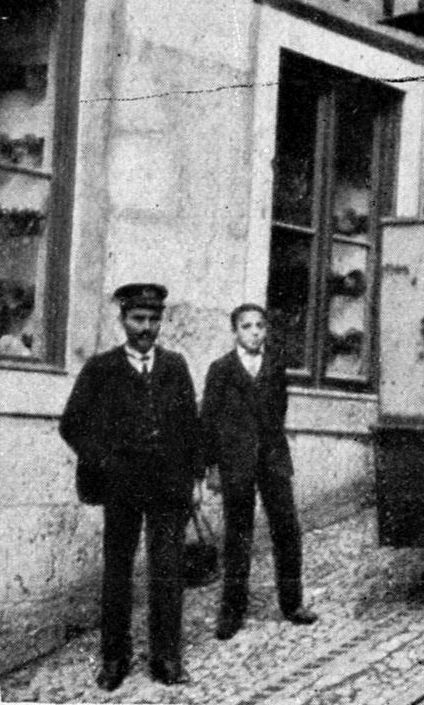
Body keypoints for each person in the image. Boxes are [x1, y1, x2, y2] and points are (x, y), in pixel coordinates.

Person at [59, 283, 204, 690]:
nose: (146, 327)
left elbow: (191, 426)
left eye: (154, 319)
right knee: (118, 575)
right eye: (138, 319)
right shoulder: (101, 368)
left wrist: (193, 477)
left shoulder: (175, 366)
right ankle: (114, 660)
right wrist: (106, 463)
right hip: (121, 488)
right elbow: (72, 424)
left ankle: (167, 660)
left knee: (167, 573)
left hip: (167, 489)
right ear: (122, 320)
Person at [201, 303, 317, 640]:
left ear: (266, 330)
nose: (254, 332)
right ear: (235, 331)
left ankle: (292, 603)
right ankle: (232, 613)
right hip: (236, 464)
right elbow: (208, 419)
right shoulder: (221, 369)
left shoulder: (276, 366)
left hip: (273, 461)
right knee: (238, 535)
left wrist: (270, 448)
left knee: (287, 529)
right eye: (246, 326)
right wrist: (212, 467)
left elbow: (278, 412)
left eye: (259, 326)